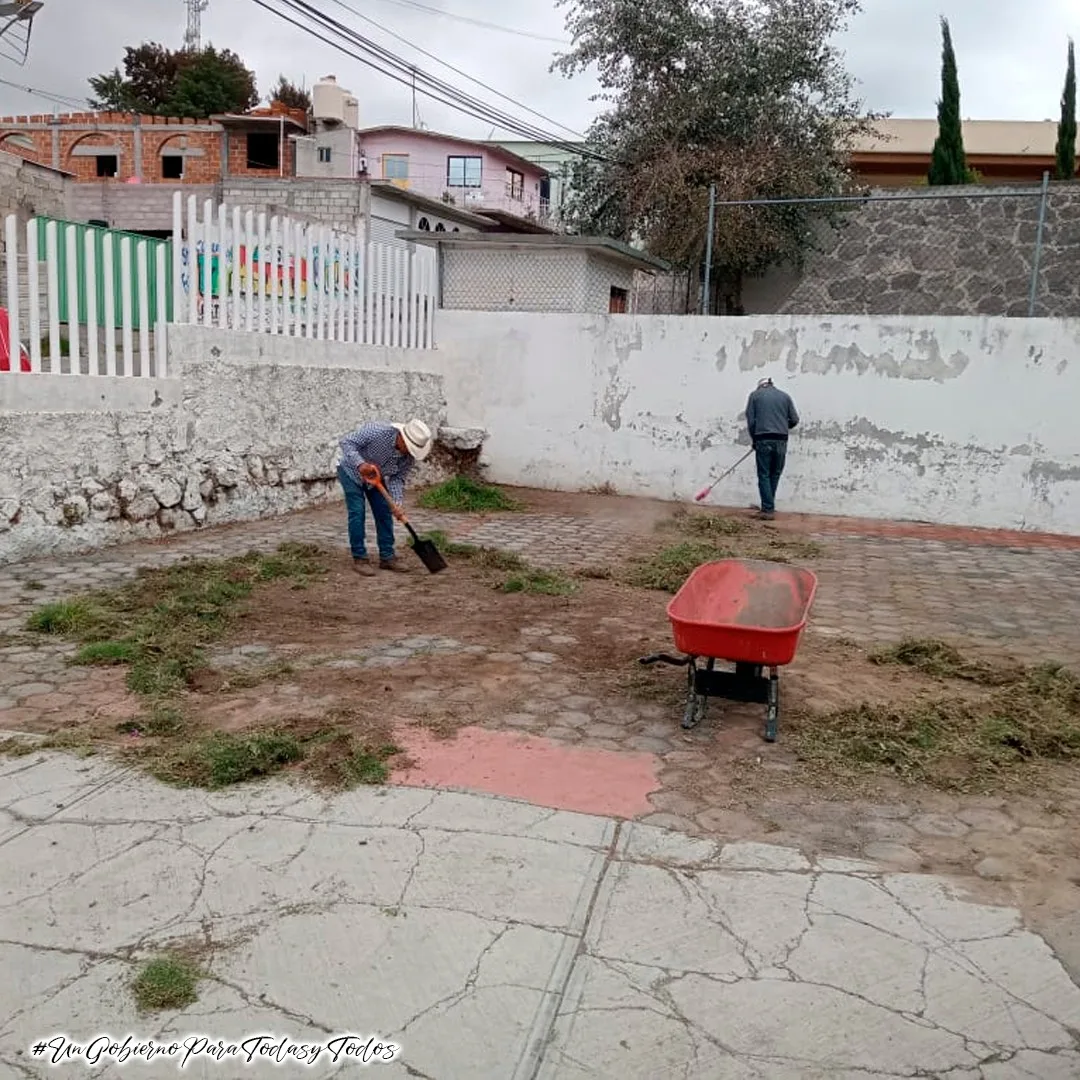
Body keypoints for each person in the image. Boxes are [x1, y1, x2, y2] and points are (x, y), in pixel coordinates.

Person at [337, 418, 433, 576]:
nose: (408, 452)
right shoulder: (377, 431)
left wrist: (396, 503)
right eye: (408, 447)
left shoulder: (408, 458)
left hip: (376, 478)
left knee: (384, 512)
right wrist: (360, 464)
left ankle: (387, 557)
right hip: (350, 471)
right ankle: (360, 558)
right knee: (357, 511)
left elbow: (397, 479)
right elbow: (346, 442)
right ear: (401, 436)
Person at [745, 378, 799, 520]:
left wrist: (754, 439)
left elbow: (751, 421)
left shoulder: (754, 396)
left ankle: (768, 509)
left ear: (760, 386)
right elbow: (794, 420)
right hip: (781, 440)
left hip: (763, 438)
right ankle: (768, 505)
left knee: (764, 474)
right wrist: (781, 426)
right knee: (775, 473)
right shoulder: (785, 396)